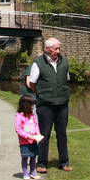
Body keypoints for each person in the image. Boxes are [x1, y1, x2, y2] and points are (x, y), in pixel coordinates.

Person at [26, 37, 72, 172]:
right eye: (56, 48)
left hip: (62, 104)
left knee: (62, 134)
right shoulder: (38, 63)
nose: (58, 51)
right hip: (45, 104)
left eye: (59, 48)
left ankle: (64, 162)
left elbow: (66, 79)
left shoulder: (64, 62)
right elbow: (32, 83)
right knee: (44, 134)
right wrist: (41, 94)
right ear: (47, 49)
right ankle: (41, 163)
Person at [15, 94, 43, 180]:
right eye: (32, 105)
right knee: (25, 157)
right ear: (26, 105)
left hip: (34, 141)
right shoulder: (19, 116)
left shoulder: (32, 115)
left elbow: (35, 125)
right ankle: (25, 173)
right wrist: (28, 136)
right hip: (25, 142)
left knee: (33, 157)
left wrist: (37, 133)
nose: (33, 106)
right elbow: (18, 129)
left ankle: (32, 172)